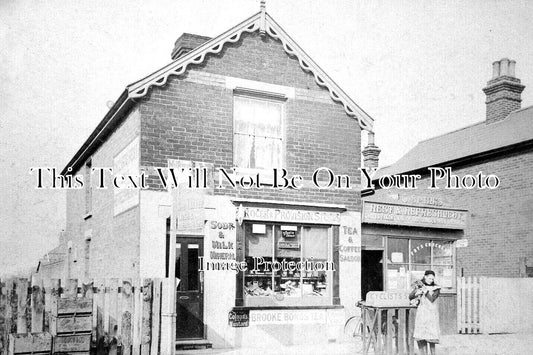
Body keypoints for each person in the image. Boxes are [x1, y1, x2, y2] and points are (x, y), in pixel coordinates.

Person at [409, 270, 441, 355]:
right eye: (429, 278)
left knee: (431, 337)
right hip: (422, 313)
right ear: (425, 277)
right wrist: (417, 293)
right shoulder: (419, 286)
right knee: (421, 336)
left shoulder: (436, 288)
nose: (431, 280)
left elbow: (432, 299)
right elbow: (410, 296)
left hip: (431, 313)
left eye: (432, 279)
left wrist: (425, 291)